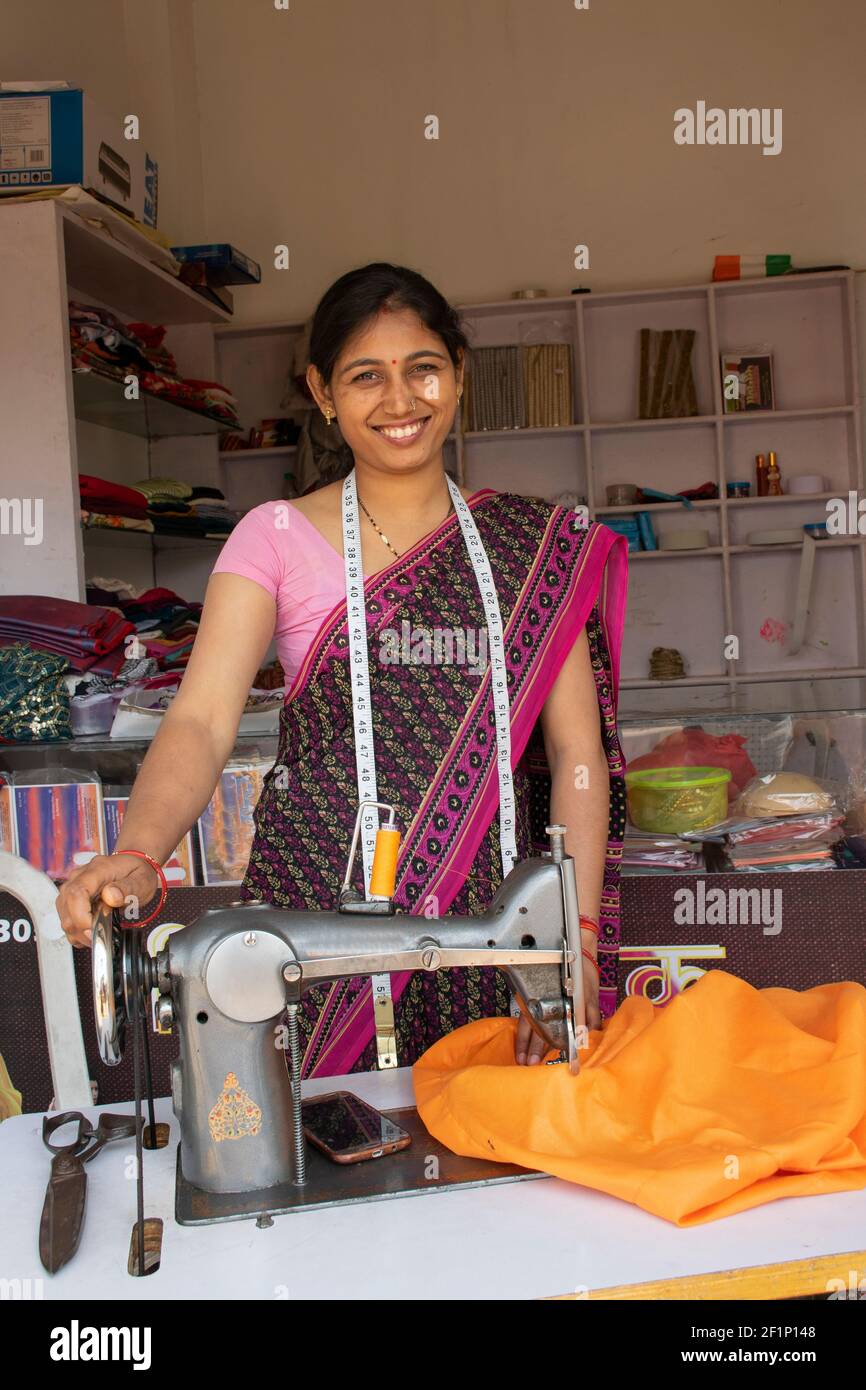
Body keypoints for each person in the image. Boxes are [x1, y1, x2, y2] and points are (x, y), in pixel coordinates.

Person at [56, 262, 628, 1076]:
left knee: (492, 1162)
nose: (400, 401)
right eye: (366, 377)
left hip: (494, 917)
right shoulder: (274, 534)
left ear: (457, 375)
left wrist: (576, 943)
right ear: (323, 394)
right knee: (326, 1150)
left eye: (422, 369)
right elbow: (202, 718)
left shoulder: (532, 549)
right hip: (316, 906)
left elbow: (577, 753)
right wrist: (142, 851)